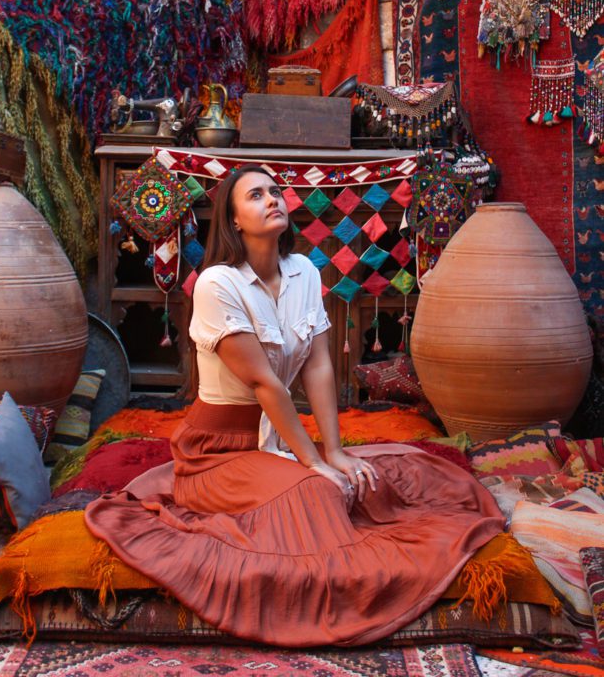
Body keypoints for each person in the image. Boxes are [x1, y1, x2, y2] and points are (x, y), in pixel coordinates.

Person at [85, 164, 504, 647]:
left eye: (276, 191)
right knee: (321, 494)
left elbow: (319, 365)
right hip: (216, 453)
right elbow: (266, 384)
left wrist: (337, 452)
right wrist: (314, 463)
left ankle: (307, 479)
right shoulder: (217, 284)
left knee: (392, 475)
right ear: (234, 220)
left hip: (277, 437)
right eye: (256, 195)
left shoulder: (304, 271)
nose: (273, 199)